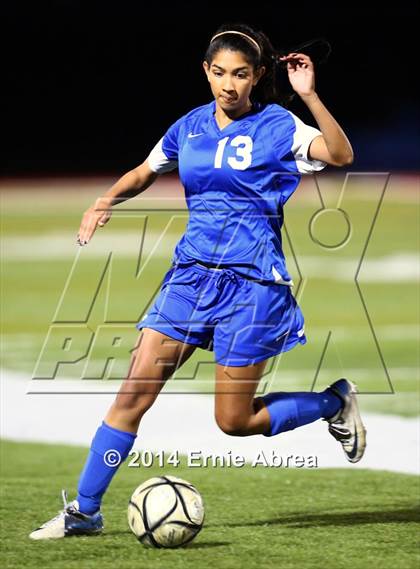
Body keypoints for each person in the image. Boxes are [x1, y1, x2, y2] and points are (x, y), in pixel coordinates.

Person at [29, 22, 365, 540]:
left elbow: (340, 156)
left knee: (234, 422)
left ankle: (333, 402)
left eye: (241, 74)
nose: (228, 84)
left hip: (252, 285)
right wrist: (105, 201)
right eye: (219, 73)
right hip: (190, 280)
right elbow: (147, 169)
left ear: (256, 77)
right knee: (132, 394)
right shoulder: (188, 127)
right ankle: (85, 512)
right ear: (205, 72)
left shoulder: (279, 125)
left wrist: (310, 96)